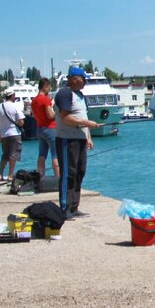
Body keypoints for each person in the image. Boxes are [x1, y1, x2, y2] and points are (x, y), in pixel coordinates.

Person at [54, 66, 101, 218]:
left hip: (80, 140)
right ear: (74, 78)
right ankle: (65, 207)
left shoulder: (80, 95)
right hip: (67, 140)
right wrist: (87, 124)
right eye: (83, 78)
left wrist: (88, 137)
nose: (85, 82)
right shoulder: (64, 94)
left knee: (80, 172)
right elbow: (66, 117)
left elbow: (83, 116)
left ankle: (74, 206)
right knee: (69, 172)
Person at [0, 89, 26, 181]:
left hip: (4, 134)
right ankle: (10, 175)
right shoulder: (15, 106)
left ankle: (0, 175)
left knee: (5, 155)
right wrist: (18, 124)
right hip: (14, 133)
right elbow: (21, 121)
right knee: (13, 155)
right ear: (12, 96)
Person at [31, 78, 59, 179]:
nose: (49, 90)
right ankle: (58, 178)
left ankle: (41, 176)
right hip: (50, 129)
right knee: (55, 155)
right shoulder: (45, 99)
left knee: (42, 155)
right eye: (49, 88)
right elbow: (50, 116)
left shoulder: (34, 100)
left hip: (40, 129)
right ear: (45, 87)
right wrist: (57, 113)